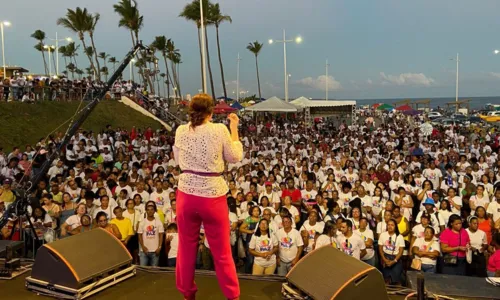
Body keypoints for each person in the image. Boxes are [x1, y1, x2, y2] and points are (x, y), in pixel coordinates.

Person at [173, 94, 243, 300]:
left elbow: (178, 159)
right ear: (211, 112)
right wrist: (234, 128)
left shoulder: (181, 130)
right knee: (221, 252)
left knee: (186, 247)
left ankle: (187, 294)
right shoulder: (219, 130)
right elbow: (235, 157)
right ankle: (232, 296)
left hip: (186, 194)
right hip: (212, 196)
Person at [378, 219, 405, 285]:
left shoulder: (400, 237)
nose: (390, 226)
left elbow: (401, 251)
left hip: (396, 258)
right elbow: (380, 248)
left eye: (392, 225)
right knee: (386, 279)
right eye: (388, 225)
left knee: (396, 280)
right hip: (385, 257)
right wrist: (384, 259)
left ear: (395, 226)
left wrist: (394, 261)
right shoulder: (382, 235)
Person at [137, 202, 164, 267]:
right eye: (148, 210)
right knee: (143, 270)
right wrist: (143, 247)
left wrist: (159, 247)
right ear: (146, 211)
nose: (150, 211)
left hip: (155, 251)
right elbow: (139, 235)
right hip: (144, 251)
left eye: (152, 209)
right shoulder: (142, 222)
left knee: (154, 271)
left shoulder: (158, 222)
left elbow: (161, 235)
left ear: (154, 211)